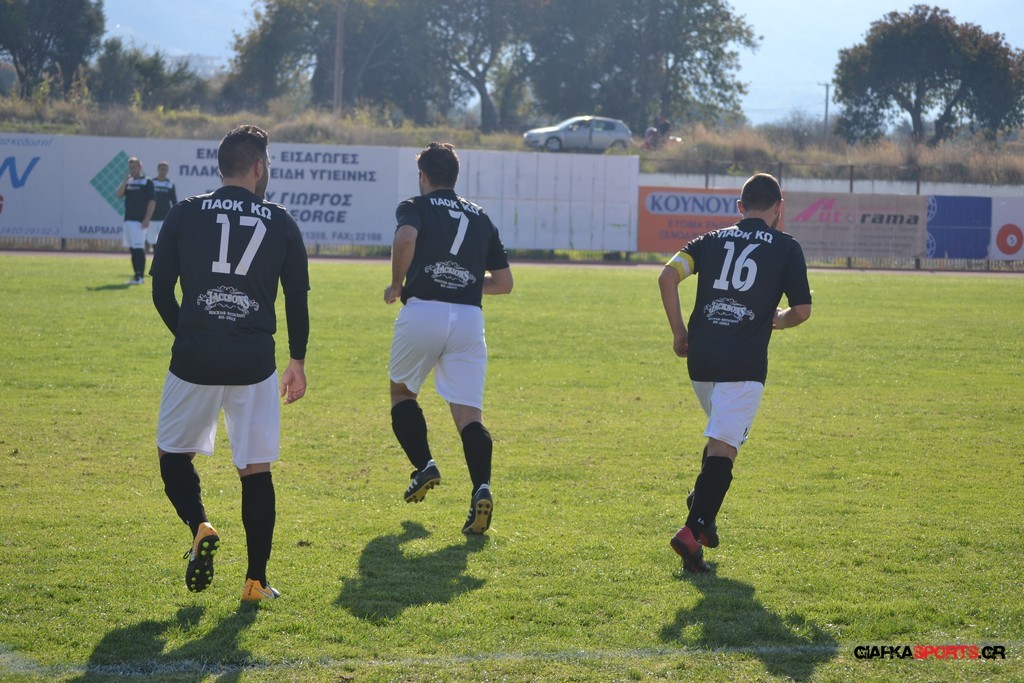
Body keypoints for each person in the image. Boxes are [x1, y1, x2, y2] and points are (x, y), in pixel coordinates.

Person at [149, 125, 310, 602]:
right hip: (254, 362)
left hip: (194, 358)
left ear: (222, 167)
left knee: (172, 455)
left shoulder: (184, 211)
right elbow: (296, 300)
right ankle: (256, 581)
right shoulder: (280, 219)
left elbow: (160, 289)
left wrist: (190, 333)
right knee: (256, 469)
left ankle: (200, 525)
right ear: (258, 167)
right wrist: (297, 360)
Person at [657, 172, 812, 573]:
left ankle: (701, 504)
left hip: (701, 359)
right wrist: (777, 320)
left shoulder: (709, 240)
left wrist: (679, 332)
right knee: (725, 448)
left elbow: (667, 276)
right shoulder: (787, 246)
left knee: (720, 437)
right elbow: (801, 311)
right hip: (742, 362)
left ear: (740, 207)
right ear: (779, 207)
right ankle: (692, 531)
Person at [385, 142, 513, 535]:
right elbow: (504, 283)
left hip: (424, 310)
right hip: (469, 320)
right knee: (469, 415)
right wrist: (467, 282)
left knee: (403, 394)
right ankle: (481, 487)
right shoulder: (481, 216)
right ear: (455, 177)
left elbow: (406, 238)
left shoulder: (415, 205)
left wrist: (396, 283)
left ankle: (424, 465)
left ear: (423, 176)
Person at [115, 157, 155, 285]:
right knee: (132, 249)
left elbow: (152, 201)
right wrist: (125, 180)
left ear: (140, 167)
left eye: (135, 167)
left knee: (138, 248)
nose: (132, 170)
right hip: (128, 219)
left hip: (140, 221)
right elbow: (118, 195)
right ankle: (136, 275)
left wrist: (147, 219)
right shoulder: (129, 182)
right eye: (130, 168)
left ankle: (141, 276)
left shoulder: (147, 181)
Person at [147, 161, 177, 253]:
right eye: (161, 169)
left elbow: (174, 201)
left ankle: (160, 257)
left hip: (165, 216)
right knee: (152, 240)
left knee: (162, 240)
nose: (163, 171)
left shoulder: (170, 183)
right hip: (152, 217)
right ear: (158, 170)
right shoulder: (152, 182)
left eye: (165, 170)